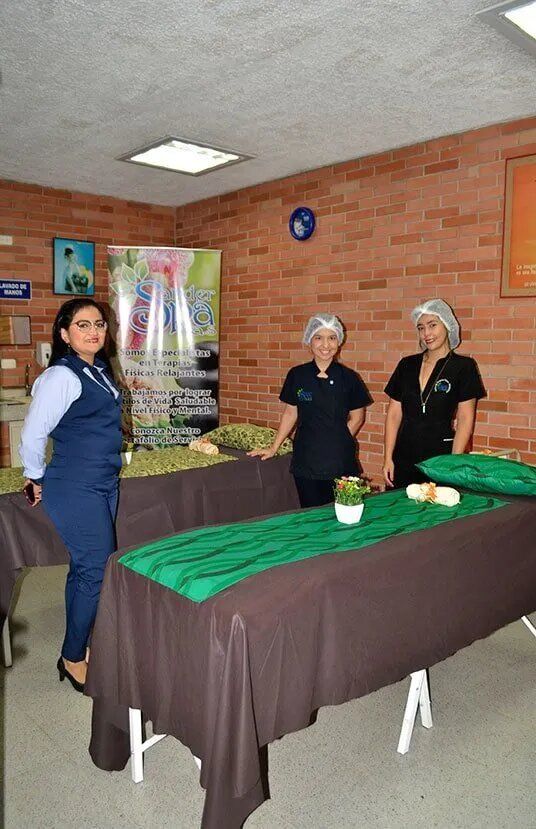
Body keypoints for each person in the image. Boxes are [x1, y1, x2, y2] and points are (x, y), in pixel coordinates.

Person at [19, 298, 122, 692]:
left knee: (85, 569)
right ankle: (73, 656)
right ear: (64, 334)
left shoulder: (97, 369)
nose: (94, 331)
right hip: (76, 485)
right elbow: (33, 433)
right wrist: (33, 475)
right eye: (82, 325)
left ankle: (77, 647)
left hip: (103, 481)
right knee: (95, 570)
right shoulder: (61, 375)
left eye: (98, 324)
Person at [248, 313, 371, 508]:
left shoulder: (349, 378)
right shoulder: (298, 375)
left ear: (339, 341)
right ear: (309, 341)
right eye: (318, 337)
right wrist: (274, 447)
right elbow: (290, 412)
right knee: (311, 512)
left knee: (344, 512)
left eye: (331, 338)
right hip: (307, 458)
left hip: (340, 460)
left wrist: (336, 439)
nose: (325, 345)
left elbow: (357, 417)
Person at [383, 298, 486, 489]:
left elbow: (465, 418)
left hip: (441, 457)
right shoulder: (406, 365)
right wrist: (388, 457)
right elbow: (393, 415)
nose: (426, 333)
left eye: (432, 325)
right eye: (421, 328)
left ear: (447, 325)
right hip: (404, 454)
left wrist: (453, 463)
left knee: (438, 514)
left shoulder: (463, 367)